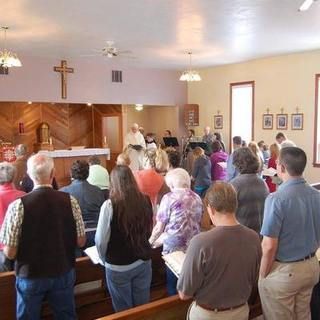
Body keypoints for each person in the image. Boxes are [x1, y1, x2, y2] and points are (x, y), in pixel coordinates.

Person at [0, 154, 86, 319]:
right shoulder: (70, 201)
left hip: (31, 274)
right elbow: (81, 241)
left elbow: (10, 253)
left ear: (29, 175)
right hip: (63, 270)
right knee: (66, 316)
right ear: (53, 173)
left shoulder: (18, 206)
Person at [177, 182, 261, 320]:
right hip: (241, 312)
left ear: (211, 209)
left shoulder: (200, 242)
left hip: (209, 315)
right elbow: (253, 279)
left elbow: (184, 294)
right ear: (235, 205)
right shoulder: (254, 237)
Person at [259, 147, 320, 320]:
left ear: (282, 168)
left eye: (278, 162)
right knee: (303, 314)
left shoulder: (276, 199)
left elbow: (269, 245)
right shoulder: (317, 195)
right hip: (311, 266)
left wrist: (263, 275)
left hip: (285, 271)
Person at [95, 165, 153, 312]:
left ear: (113, 182)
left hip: (118, 265)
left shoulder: (109, 205)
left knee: (123, 309)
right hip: (142, 260)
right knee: (142, 307)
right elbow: (149, 228)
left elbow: (101, 240)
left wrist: (103, 258)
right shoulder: (145, 200)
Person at [149, 168, 203, 296]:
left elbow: (159, 227)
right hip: (193, 244)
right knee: (188, 279)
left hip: (174, 247)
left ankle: (174, 305)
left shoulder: (169, 198)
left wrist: (150, 241)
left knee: (173, 283)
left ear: (172, 184)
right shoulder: (197, 197)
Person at [60, 160, 105, 248]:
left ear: (71, 174)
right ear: (88, 174)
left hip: (74, 237)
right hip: (97, 234)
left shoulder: (63, 192)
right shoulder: (98, 191)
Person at [231, 147, 269, 234]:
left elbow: (227, 215)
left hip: (241, 234)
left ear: (237, 164)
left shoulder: (234, 185)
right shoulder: (262, 183)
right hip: (258, 233)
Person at [0, 162, 25, 272]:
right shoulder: (24, 195)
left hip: (2, 248)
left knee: (5, 285)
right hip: (22, 246)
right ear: (14, 176)